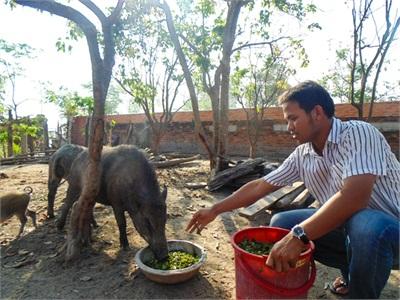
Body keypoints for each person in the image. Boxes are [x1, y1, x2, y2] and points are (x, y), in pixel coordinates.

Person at [186, 81, 399, 299]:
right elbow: (261, 186)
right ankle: (350, 275)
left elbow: (354, 199)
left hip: (391, 231)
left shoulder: (358, 134)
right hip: (351, 231)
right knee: (282, 223)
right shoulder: (303, 154)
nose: (289, 127)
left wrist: (300, 236)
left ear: (317, 112)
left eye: (293, 118)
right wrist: (215, 209)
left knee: (365, 224)